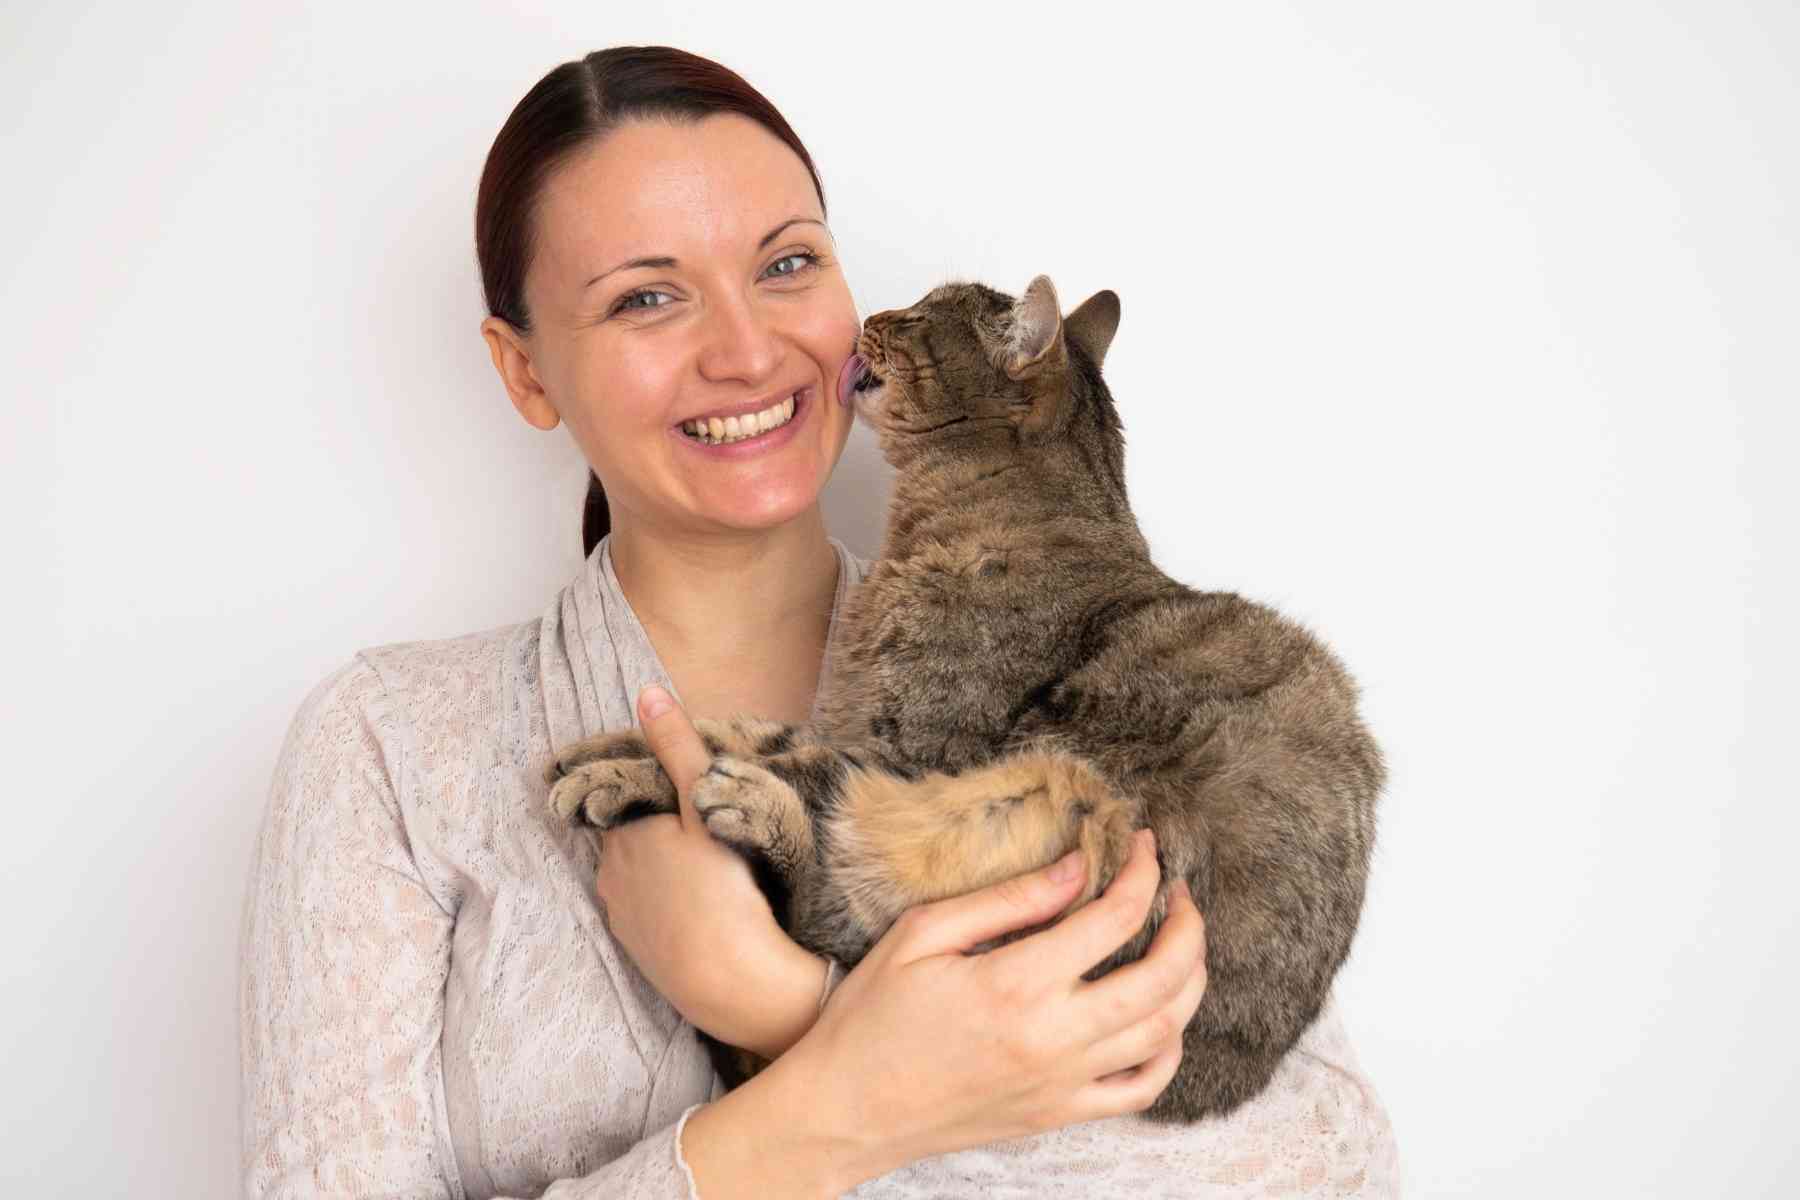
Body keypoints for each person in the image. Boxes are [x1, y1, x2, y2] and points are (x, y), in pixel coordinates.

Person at [237, 45, 1398, 1199]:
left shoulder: (1125, 697)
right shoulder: (390, 750)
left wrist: (792, 1013)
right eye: (646, 296)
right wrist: (836, 1105)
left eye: (788, 263)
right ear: (524, 371)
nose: (748, 352)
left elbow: (1329, 1163)